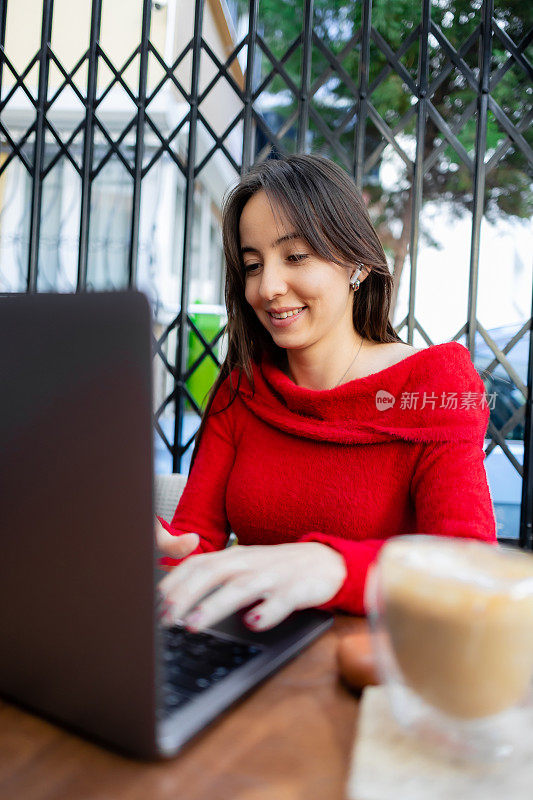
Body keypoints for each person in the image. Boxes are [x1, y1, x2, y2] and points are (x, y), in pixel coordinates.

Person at [156, 154, 496, 632]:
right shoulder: (243, 389)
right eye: (253, 265)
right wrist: (162, 550)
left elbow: (470, 567)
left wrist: (332, 565)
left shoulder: (436, 383)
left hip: (372, 666)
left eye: (296, 257)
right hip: (249, 660)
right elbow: (195, 543)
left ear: (356, 263)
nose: (268, 287)